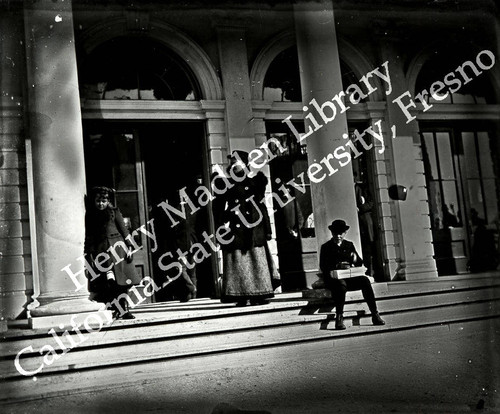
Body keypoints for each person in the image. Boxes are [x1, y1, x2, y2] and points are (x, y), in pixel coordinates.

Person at [214, 150, 280, 306]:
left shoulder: (255, 183)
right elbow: (217, 209)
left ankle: (259, 294)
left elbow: (262, 207)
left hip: (255, 229)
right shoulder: (226, 185)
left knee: (257, 259)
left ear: (245, 164)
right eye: (231, 163)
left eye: (237, 162)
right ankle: (241, 296)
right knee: (238, 262)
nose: (233, 166)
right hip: (235, 231)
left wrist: (267, 230)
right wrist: (221, 227)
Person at [84, 186, 141, 319]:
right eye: (98, 201)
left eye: (103, 201)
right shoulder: (90, 215)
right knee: (109, 282)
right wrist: (88, 254)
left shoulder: (114, 212)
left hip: (118, 250)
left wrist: (130, 247)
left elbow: (124, 231)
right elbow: (89, 236)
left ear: (108, 201)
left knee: (123, 282)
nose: (101, 204)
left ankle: (124, 309)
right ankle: (115, 308)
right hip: (101, 252)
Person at [319, 219, 385, 330]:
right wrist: (336, 267)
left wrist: (353, 260)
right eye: (336, 233)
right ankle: (339, 317)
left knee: (364, 280)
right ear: (332, 233)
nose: (338, 236)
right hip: (333, 279)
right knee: (341, 285)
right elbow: (323, 266)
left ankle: (375, 314)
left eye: (341, 233)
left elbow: (359, 262)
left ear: (345, 233)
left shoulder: (349, 245)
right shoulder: (326, 247)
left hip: (348, 277)